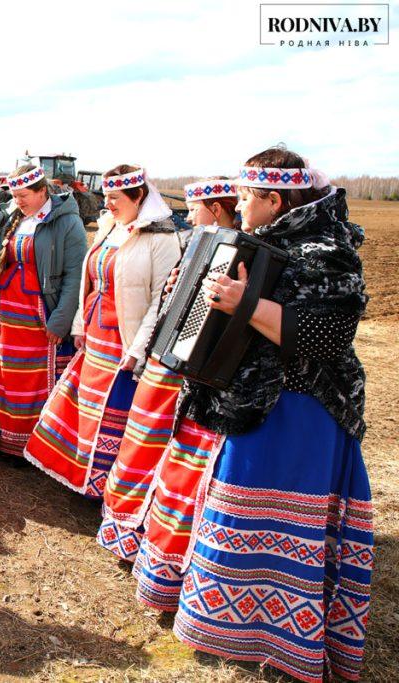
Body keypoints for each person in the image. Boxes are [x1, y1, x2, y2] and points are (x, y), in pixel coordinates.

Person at [167, 148, 373, 683]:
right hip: (258, 402)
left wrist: (245, 305)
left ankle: (287, 640)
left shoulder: (328, 249)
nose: (237, 203)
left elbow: (328, 338)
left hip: (301, 411)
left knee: (280, 526)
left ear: (273, 200)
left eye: (245, 196)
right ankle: (238, 625)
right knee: (240, 514)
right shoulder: (262, 242)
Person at [98, 178, 239, 562]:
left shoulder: (235, 250)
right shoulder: (194, 241)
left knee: (170, 454)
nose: (188, 215)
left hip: (191, 368)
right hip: (166, 358)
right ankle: (128, 529)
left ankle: (156, 537)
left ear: (214, 208)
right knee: (143, 443)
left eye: (195, 208)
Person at [23, 165, 180, 497]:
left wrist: (138, 349)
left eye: (115, 198)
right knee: (86, 409)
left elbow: (161, 302)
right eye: (106, 196)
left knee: (112, 414)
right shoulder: (110, 227)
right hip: (95, 334)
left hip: (124, 338)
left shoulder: (162, 238)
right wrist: (79, 325)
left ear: (138, 196)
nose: (107, 204)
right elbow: (87, 280)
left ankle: (103, 488)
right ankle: (78, 475)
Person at [0, 164, 86, 461]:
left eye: (23, 195)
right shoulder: (13, 216)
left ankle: (30, 447)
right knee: (4, 376)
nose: (18, 201)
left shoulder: (67, 223)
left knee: (31, 380)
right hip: (5, 316)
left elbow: (75, 277)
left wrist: (60, 322)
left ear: (42, 191)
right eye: (14, 195)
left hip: (39, 318)